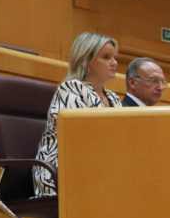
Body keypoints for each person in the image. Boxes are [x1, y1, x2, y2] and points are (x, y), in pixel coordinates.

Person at [33, 32, 123, 198]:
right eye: (106, 57)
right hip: (61, 173)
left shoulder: (114, 98)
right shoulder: (71, 89)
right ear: (86, 61)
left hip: (98, 169)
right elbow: (79, 138)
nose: (114, 63)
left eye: (115, 57)